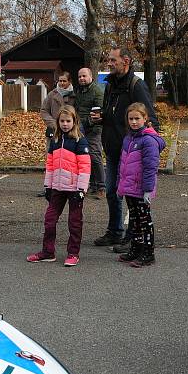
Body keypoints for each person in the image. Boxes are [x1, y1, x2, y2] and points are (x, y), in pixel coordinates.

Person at [90, 47, 159, 249]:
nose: (108, 63)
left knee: (132, 197)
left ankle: (133, 238)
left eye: (113, 60)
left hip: (131, 152)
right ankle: (115, 232)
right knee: (112, 191)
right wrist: (101, 117)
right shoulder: (110, 84)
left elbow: (150, 118)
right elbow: (114, 113)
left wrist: (150, 146)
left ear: (125, 61)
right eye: (108, 60)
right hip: (112, 149)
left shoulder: (136, 85)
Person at [27, 105, 90, 266]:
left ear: (74, 122)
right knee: (49, 220)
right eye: (62, 121)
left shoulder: (79, 140)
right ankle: (48, 251)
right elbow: (50, 164)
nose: (65, 124)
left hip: (74, 189)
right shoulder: (55, 140)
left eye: (68, 121)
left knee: (74, 222)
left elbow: (85, 167)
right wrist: (47, 185)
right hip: (57, 187)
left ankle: (73, 253)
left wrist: (82, 189)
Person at [115, 103, 166, 267]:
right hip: (129, 188)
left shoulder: (148, 140)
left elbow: (151, 167)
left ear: (145, 118)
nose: (134, 122)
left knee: (145, 221)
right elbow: (122, 165)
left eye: (137, 118)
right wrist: (119, 185)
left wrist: (148, 190)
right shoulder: (128, 138)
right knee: (135, 221)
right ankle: (136, 249)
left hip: (141, 188)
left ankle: (148, 252)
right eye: (131, 119)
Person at [38, 72, 75, 197]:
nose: (62, 83)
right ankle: (49, 186)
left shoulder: (74, 95)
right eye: (60, 81)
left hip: (71, 132)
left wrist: (71, 124)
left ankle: (69, 186)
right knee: (51, 159)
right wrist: (54, 123)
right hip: (54, 131)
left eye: (64, 81)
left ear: (69, 81)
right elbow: (44, 110)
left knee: (68, 160)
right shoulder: (52, 94)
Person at [74, 67, 106, 199]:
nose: (82, 78)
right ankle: (92, 184)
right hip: (80, 129)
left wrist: (84, 124)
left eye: (84, 76)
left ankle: (102, 187)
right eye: (80, 76)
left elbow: (98, 113)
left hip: (93, 129)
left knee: (95, 156)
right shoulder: (79, 91)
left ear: (91, 77)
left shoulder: (97, 91)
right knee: (85, 157)